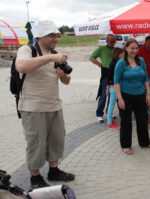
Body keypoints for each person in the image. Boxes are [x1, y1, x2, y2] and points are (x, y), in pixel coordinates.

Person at [15, 20, 75, 189]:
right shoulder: (27, 50)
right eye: (52, 36)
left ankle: (54, 171)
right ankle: (35, 178)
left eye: (57, 36)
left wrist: (62, 74)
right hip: (33, 107)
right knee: (36, 143)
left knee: (56, 140)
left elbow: (66, 81)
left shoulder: (55, 54)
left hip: (54, 106)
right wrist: (50, 57)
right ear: (40, 36)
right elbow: (21, 67)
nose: (55, 40)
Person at [114, 38, 150, 155]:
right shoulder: (121, 63)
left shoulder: (141, 61)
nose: (135, 50)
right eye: (132, 48)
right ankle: (126, 145)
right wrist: (120, 98)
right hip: (126, 96)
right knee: (126, 122)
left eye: (136, 48)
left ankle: (145, 142)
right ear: (126, 48)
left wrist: (148, 94)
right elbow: (116, 81)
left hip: (140, 95)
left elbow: (146, 78)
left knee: (143, 120)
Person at [89, 34, 116, 123]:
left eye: (114, 41)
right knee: (104, 94)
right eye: (111, 41)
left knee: (112, 95)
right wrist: (99, 64)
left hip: (114, 74)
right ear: (107, 41)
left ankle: (109, 111)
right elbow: (91, 58)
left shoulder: (116, 50)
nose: (113, 43)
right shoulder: (101, 49)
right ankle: (99, 114)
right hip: (105, 72)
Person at [106, 48, 123, 129]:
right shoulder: (114, 63)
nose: (122, 55)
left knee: (112, 105)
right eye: (121, 53)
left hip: (115, 86)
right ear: (118, 54)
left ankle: (111, 120)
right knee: (111, 105)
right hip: (113, 87)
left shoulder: (116, 62)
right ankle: (109, 123)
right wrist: (107, 88)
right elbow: (109, 77)